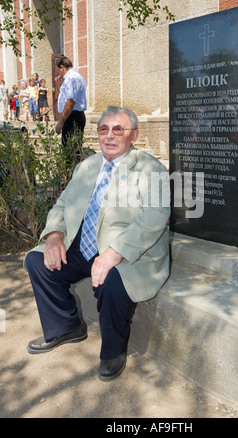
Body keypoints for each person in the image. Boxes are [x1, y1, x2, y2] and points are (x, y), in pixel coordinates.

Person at [24, 106, 170, 381]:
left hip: (131, 250)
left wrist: (113, 254)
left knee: (112, 281)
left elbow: (154, 217)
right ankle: (66, 327)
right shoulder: (88, 165)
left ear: (134, 136)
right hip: (85, 244)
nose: (110, 136)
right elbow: (63, 203)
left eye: (119, 129)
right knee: (37, 261)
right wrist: (54, 236)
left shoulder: (151, 168)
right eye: (104, 129)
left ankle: (113, 351)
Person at [56, 56, 87, 148]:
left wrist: (60, 121)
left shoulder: (71, 78)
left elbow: (70, 101)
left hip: (73, 117)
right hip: (73, 116)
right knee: (71, 148)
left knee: (70, 149)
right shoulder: (75, 77)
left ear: (62, 67)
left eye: (58, 70)